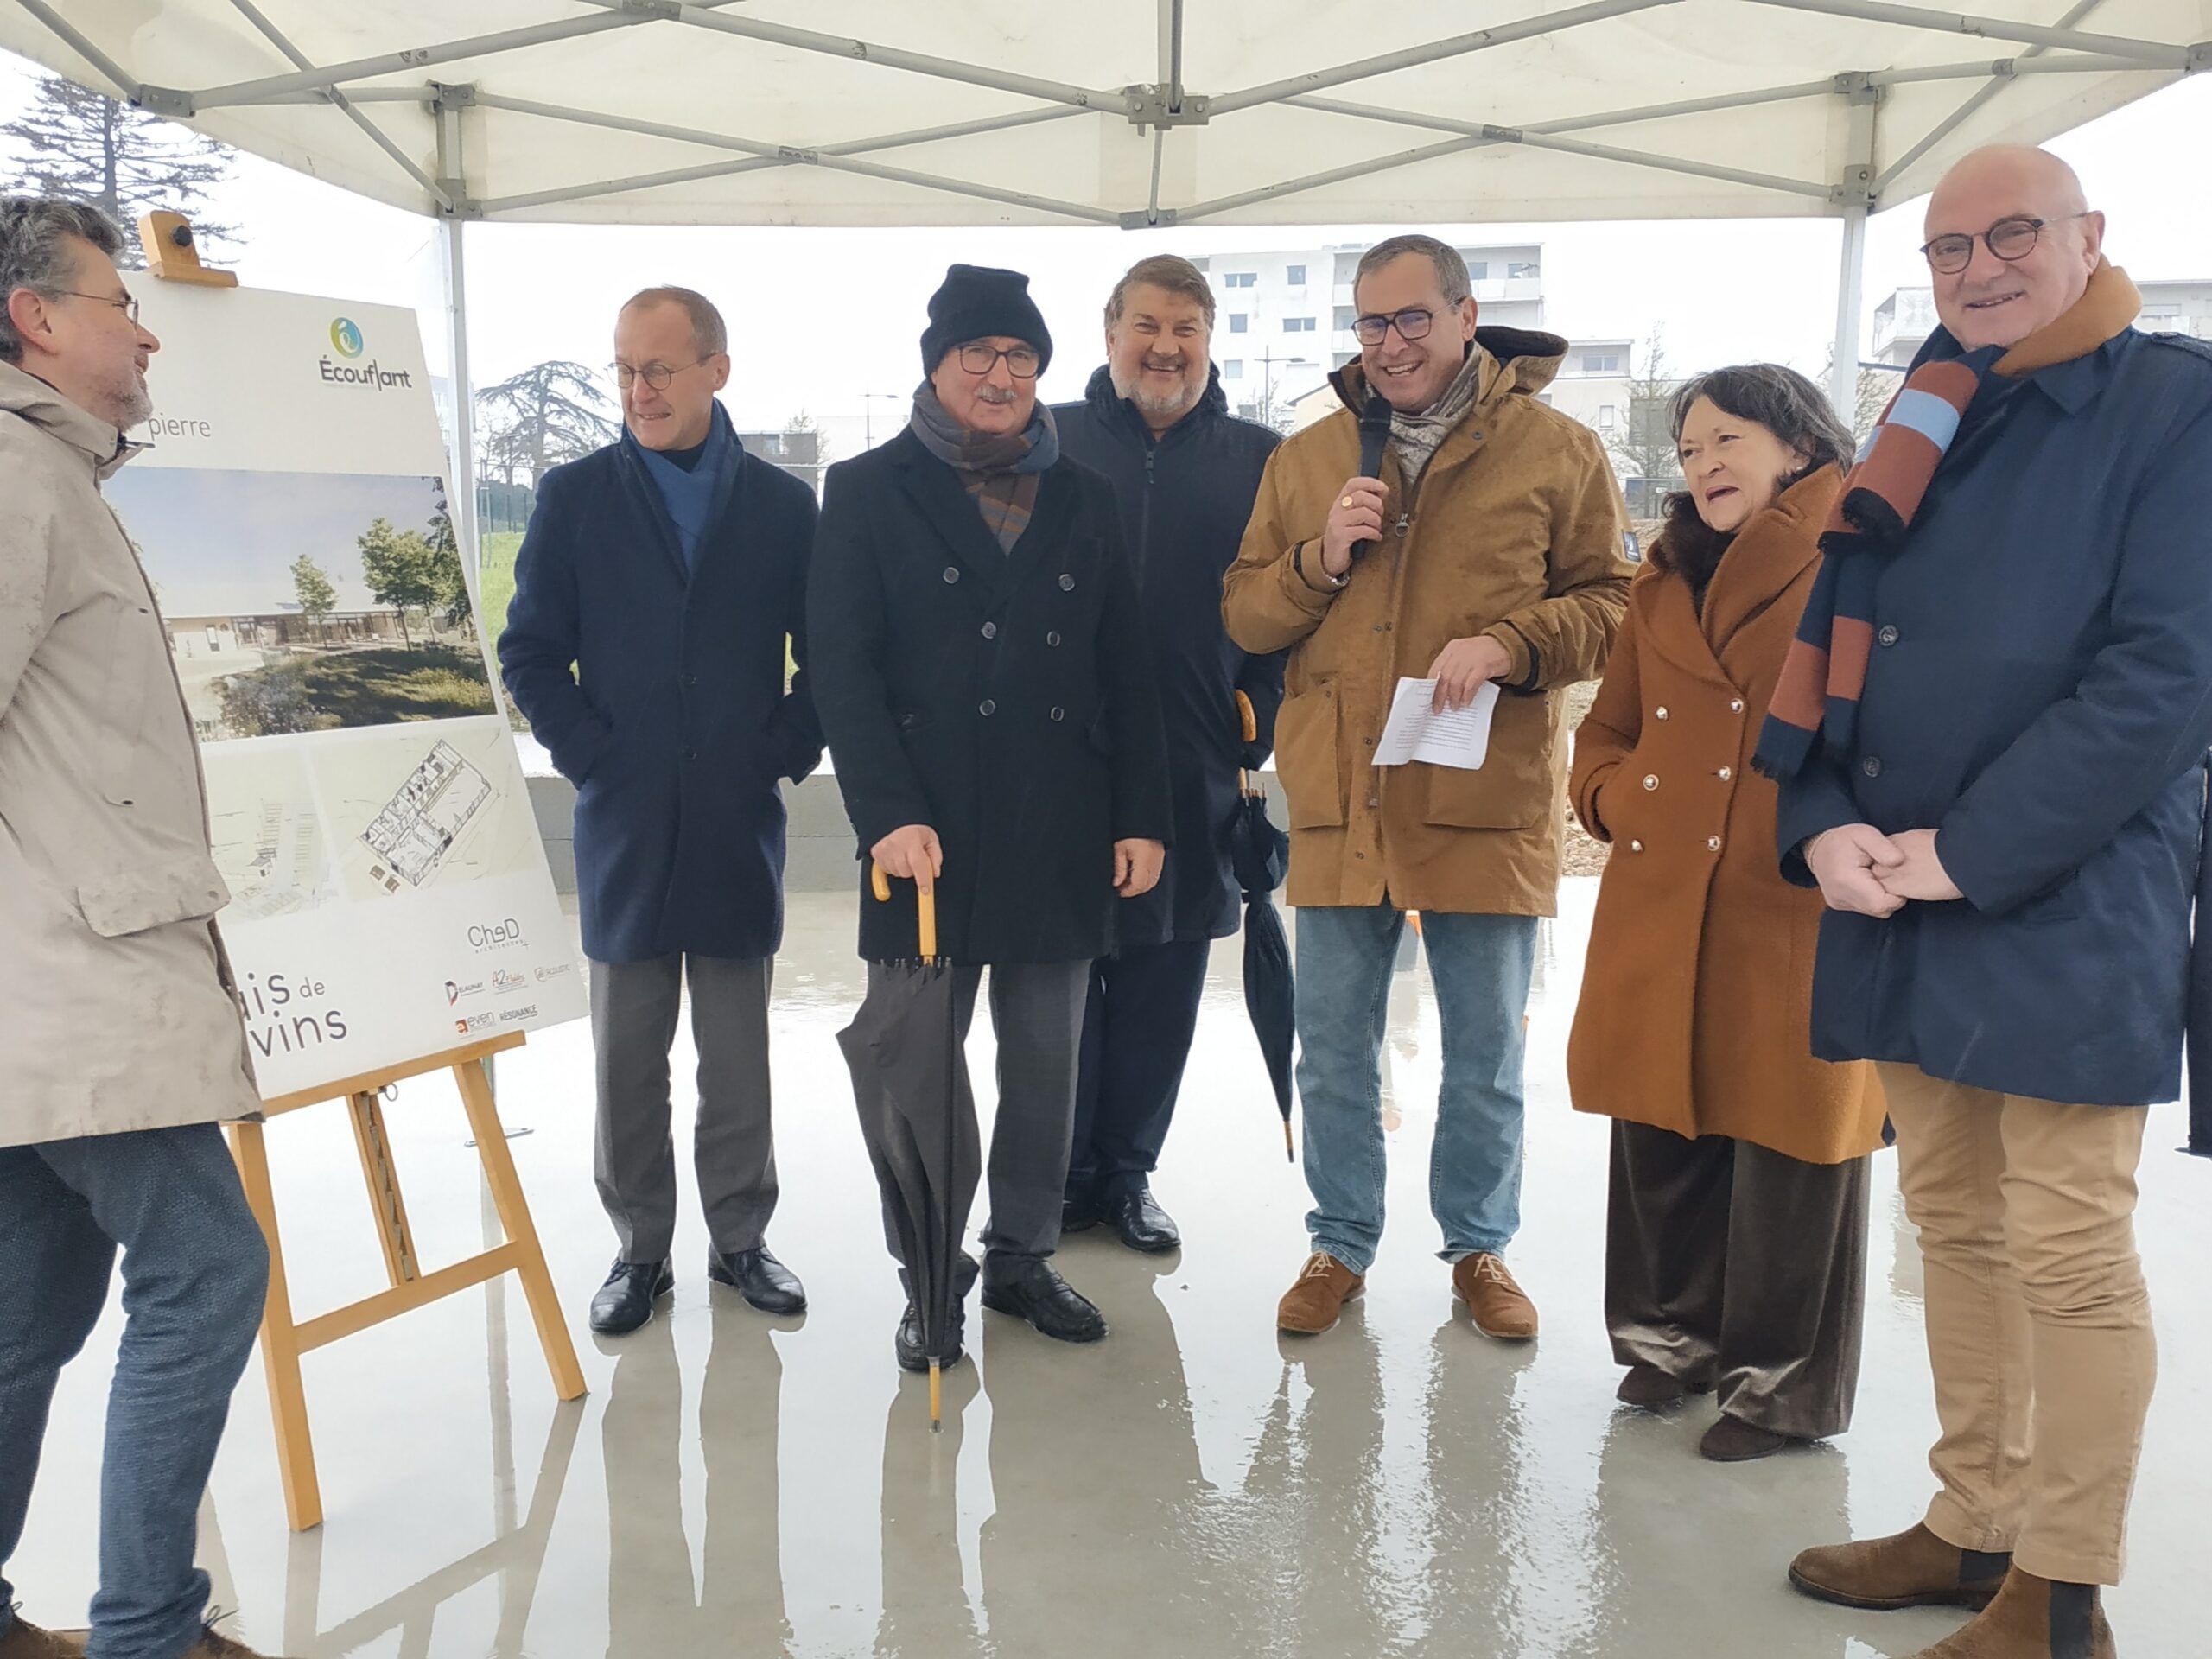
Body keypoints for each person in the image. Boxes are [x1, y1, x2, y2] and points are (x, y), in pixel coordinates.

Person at [1774, 146, 2212, 1659]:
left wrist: (1966, 850)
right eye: (1950, 248)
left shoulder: (2176, 404)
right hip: (1901, 886)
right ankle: (1978, 1521)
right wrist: (1821, 826)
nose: (1979, 269)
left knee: (2069, 1247)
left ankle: (2064, 1592)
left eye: (2012, 235)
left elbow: (2166, 679)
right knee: (1951, 1222)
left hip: (2066, 891)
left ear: (2092, 236)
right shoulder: (1933, 404)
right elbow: (1840, 633)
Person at [1222, 234, 1633, 1343]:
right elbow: (1246, 613)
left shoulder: (1557, 450)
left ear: (1465, 318)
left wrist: (1512, 643)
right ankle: (1338, 1242)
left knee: (1485, 1052)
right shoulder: (1307, 458)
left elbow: (1614, 605)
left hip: (1480, 792)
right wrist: (1318, 559)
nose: (1391, 343)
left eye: (1412, 318)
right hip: (1340, 791)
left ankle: (1479, 1247)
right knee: (1332, 1047)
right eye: (1371, 323)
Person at [0, 197, 278, 1659]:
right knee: (210, 1271)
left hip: (54, 989)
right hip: (70, 983)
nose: (147, 330)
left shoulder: (49, 475)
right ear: (37, 318)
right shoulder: (15, 480)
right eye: (120, 301)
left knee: (27, 1312)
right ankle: (150, 1632)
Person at [810, 264, 1173, 1369]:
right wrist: (883, 812)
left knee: (1046, 1061)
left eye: (1020, 356)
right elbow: (841, 668)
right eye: (978, 353)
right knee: (915, 1066)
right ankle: (928, 1275)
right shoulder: (864, 489)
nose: (1000, 375)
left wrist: (1140, 816)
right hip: (921, 833)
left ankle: (1021, 1256)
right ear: (936, 367)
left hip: (1057, 820)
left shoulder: (1083, 496)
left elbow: (1126, 667)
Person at [1567, 365, 1886, 1464]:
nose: (1703, 463)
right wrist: (1616, 798)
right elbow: (1605, 732)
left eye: (1727, 440)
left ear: (1797, 446)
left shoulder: (1859, 553)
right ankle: (1669, 1342)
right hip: (1662, 886)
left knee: (1794, 1142)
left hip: (1789, 888)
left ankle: (1778, 1391)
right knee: (1662, 1119)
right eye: (1690, 447)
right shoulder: (1660, 579)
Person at [499, 285, 820, 1337]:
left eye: (660, 370)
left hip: (734, 820)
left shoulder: (782, 508)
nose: (639, 390)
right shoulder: (575, 496)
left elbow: (828, 656)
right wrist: (593, 758)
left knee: (736, 1055)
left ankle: (740, 1240)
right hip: (624, 823)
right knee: (626, 1056)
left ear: (716, 371)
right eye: (626, 370)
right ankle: (640, 1251)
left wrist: (776, 752)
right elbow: (529, 653)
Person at [1052, 254, 1285, 1255]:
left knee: (1163, 978)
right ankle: (1060, 1173)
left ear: (1208, 342)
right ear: (1109, 336)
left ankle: (1128, 1173)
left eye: (1185, 329)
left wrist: (1256, 712)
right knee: (1060, 974)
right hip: (1058, 764)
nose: (1164, 347)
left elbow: (1291, 607)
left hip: (1194, 759)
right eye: (1146, 326)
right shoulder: (1043, 442)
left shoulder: (1264, 461)